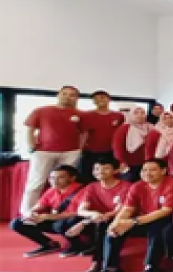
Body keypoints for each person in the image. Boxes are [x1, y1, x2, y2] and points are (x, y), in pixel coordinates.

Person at [86, 159, 173, 272]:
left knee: (157, 227)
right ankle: (110, 268)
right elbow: (127, 209)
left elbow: (166, 211)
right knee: (110, 226)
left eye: (152, 170)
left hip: (164, 219)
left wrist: (134, 221)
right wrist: (116, 223)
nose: (147, 173)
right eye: (144, 170)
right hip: (142, 220)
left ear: (163, 171)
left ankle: (150, 267)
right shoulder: (137, 186)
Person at [20, 85, 85, 214]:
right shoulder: (41, 111)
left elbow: (84, 133)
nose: (68, 97)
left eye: (72, 95)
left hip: (70, 152)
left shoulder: (81, 114)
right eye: (65, 94)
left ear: (76, 98)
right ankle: (27, 214)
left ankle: (60, 212)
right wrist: (32, 146)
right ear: (58, 95)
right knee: (36, 183)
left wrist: (80, 149)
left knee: (67, 184)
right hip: (44, 152)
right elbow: (29, 129)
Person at [68, 158, 132, 272]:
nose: (100, 172)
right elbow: (81, 210)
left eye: (105, 168)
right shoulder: (92, 187)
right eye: (97, 169)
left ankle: (111, 268)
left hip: (122, 219)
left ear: (116, 170)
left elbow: (120, 211)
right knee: (92, 223)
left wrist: (86, 222)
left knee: (106, 225)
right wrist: (93, 215)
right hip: (100, 219)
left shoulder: (126, 186)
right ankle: (95, 267)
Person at [10, 164, 86, 258]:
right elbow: (39, 206)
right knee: (17, 223)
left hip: (76, 222)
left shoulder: (83, 190)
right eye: (52, 178)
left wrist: (49, 217)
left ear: (72, 178)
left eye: (60, 178)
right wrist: (31, 214)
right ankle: (49, 244)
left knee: (61, 224)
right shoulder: (52, 190)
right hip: (55, 220)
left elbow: (79, 213)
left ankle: (77, 245)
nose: (54, 181)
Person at [79, 91, 125, 183]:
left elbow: (121, 134)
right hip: (91, 152)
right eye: (96, 99)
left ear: (109, 99)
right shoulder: (86, 115)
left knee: (111, 176)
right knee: (88, 177)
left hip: (111, 152)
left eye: (102, 97)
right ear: (93, 101)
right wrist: (80, 149)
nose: (100, 100)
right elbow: (83, 133)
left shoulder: (119, 116)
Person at [112, 107, 160, 182]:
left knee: (146, 183)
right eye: (136, 113)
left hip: (147, 163)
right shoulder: (124, 128)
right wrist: (122, 161)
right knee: (128, 183)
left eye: (142, 113)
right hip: (128, 163)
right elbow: (117, 147)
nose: (140, 115)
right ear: (131, 115)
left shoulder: (151, 127)